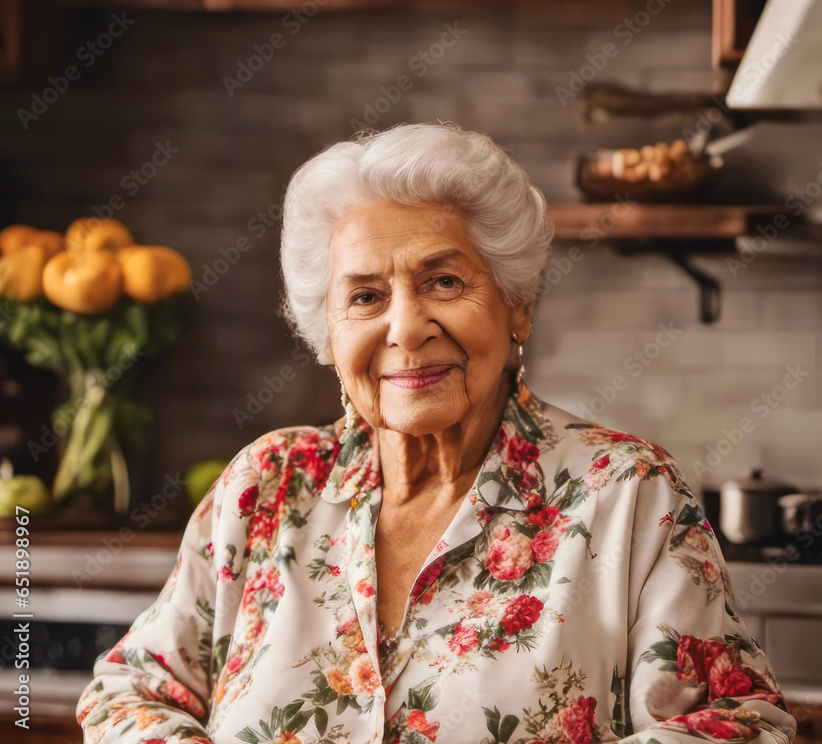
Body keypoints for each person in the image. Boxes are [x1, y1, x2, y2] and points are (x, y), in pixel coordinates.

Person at [77, 123, 797, 744]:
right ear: (327, 332)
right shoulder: (266, 486)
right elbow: (128, 693)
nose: (405, 328)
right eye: (365, 296)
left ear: (517, 305)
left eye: (444, 283)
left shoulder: (626, 495)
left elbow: (741, 721)